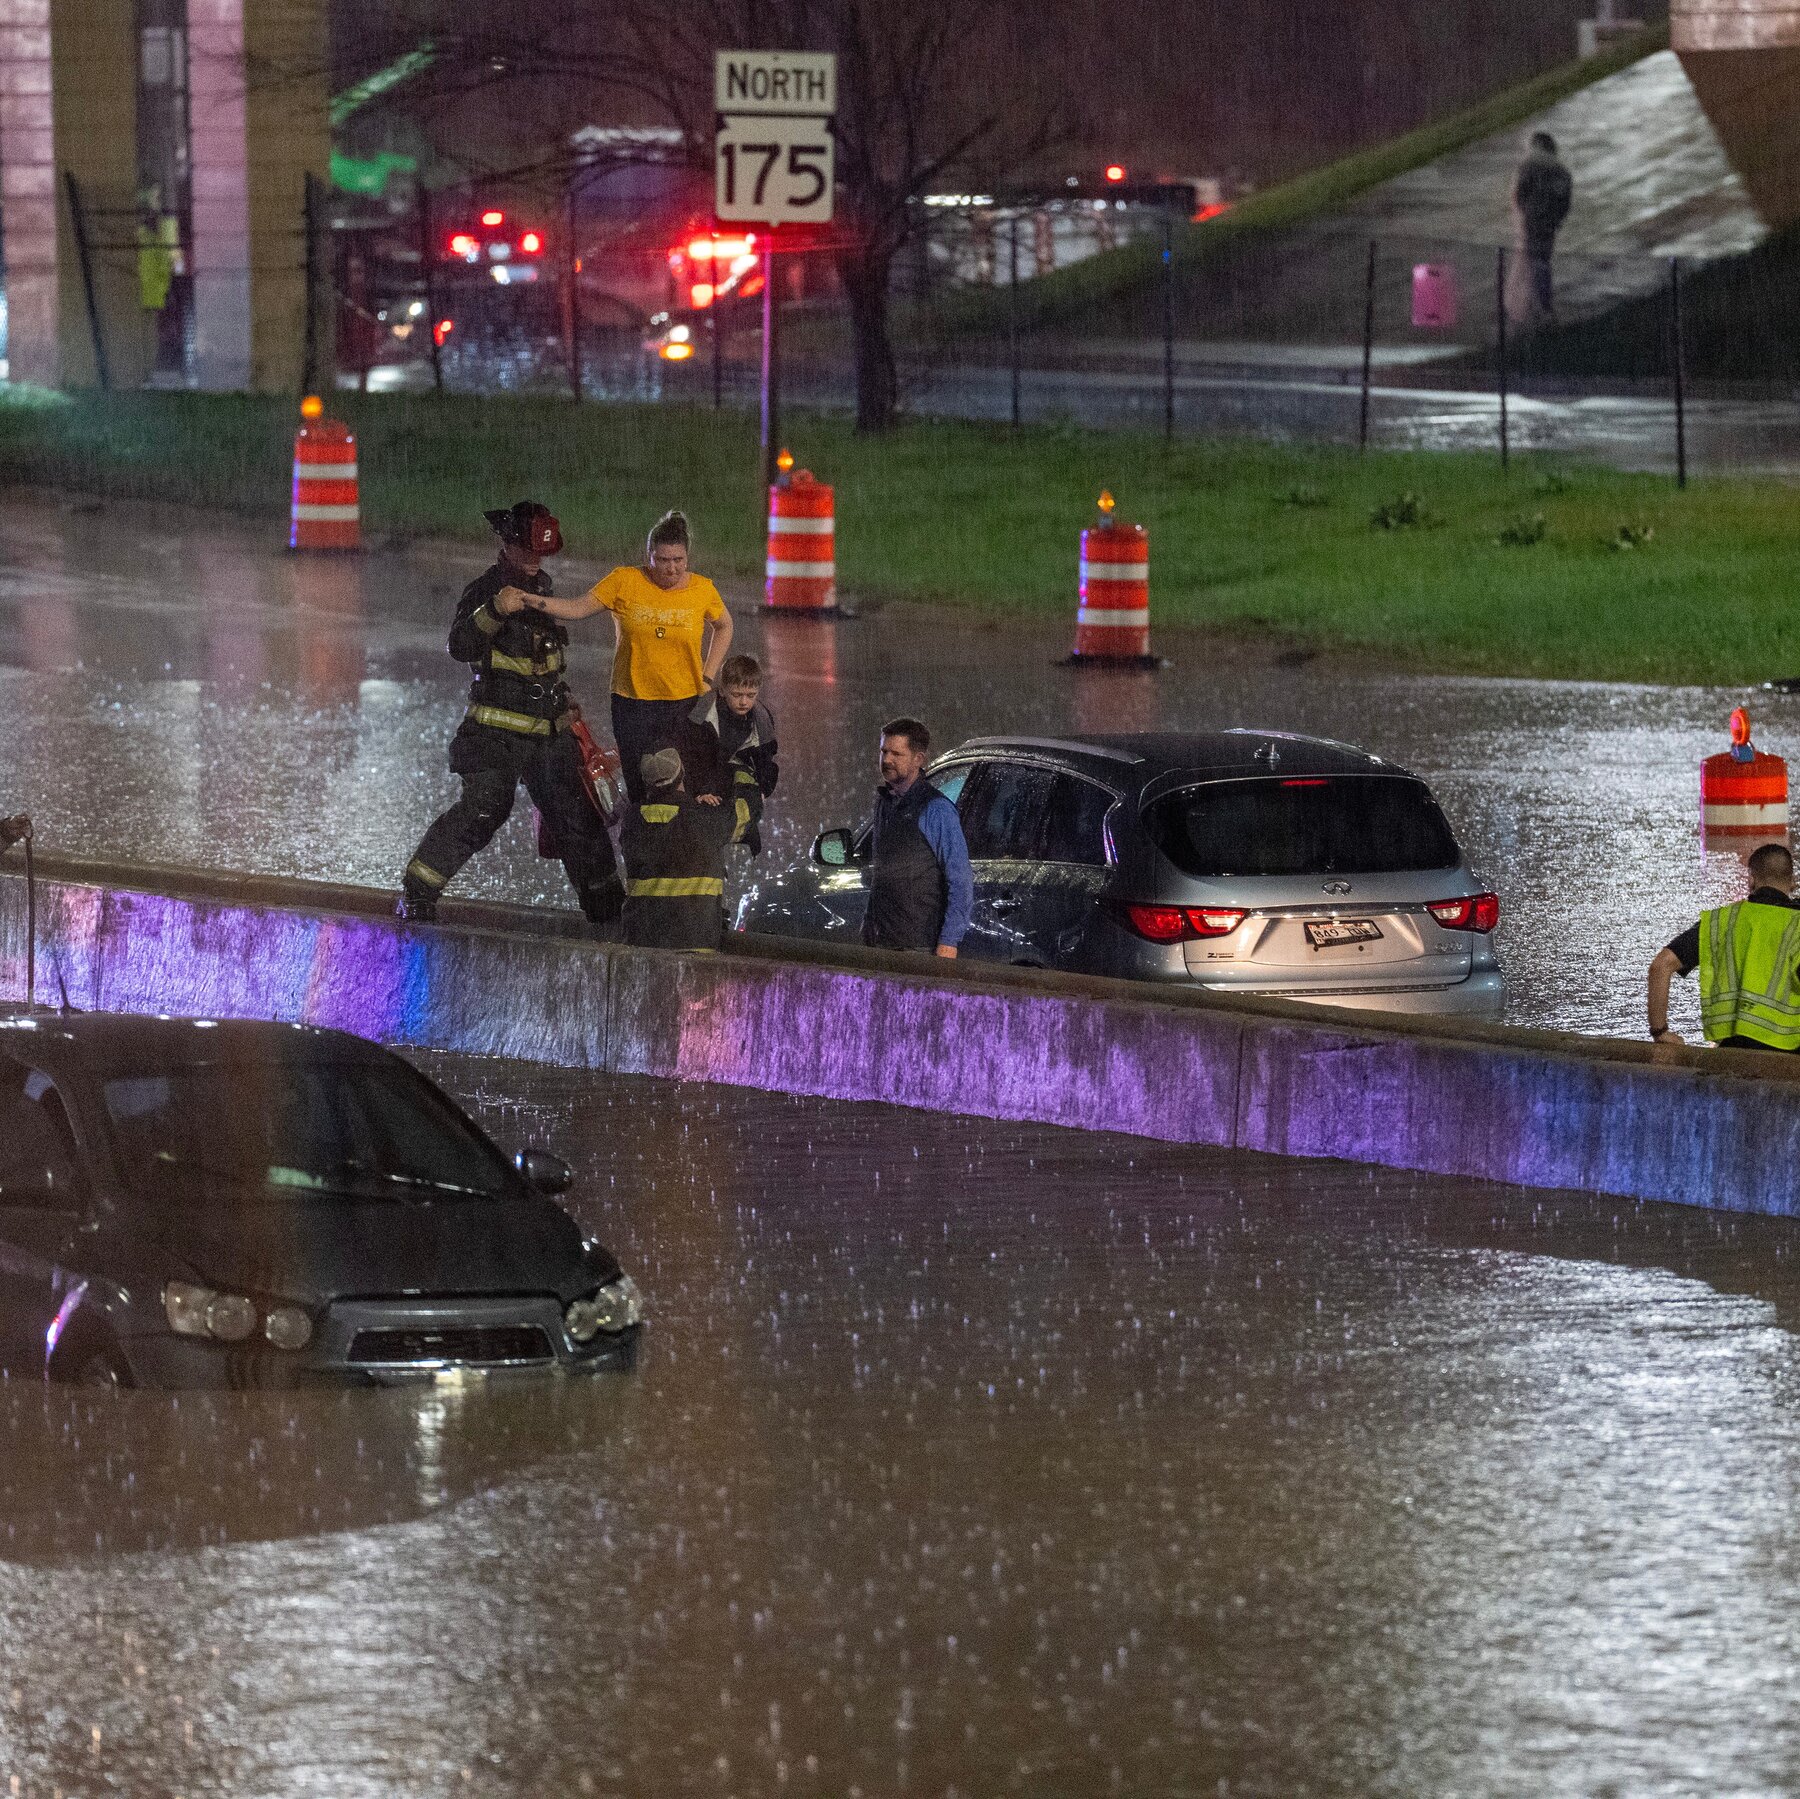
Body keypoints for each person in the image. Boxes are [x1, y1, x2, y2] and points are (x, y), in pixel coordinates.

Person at [397, 500, 623, 925]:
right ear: (506, 545)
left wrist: (568, 709)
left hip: (548, 736)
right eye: (526, 551)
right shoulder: (485, 591)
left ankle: (609, 913)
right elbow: (460, 646)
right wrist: (496, 610)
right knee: (485, 808)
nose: (533, 561)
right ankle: (418, 890)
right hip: (494, 733)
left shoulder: (544, 591)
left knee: (578, 820)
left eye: (540, 554)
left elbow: (544, 663)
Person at [514, 510, 733, 808]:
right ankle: (640, 846)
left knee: (678, 783)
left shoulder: (702, 589)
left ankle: (679, 846)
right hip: (631, 702)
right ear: (649, 555)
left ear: (687, 557)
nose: (671, 569)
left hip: (682, 701)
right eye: (663, 560)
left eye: (678, 560)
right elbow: (577, 608)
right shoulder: (624, 581)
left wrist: (708, 676)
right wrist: (530, 600)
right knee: (639, 784)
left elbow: (724, 626)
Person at [1647, 841, 1800, 1050]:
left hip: (1733, 1051)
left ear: (1751, 880)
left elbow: (1660, 966)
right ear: (1792, 882)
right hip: (1790, 1051)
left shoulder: (1720, 921)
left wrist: (1660, 1032)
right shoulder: (1796, 923)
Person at [862, 717, 972, 959]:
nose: (886, 760)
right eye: (883, 751)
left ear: (918, 759)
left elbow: (960, 880)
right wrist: (869, 925)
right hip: (881, 941)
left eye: (896, 754)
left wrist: (949, 941)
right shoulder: (885, 803)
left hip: (918, 946)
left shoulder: (937, 810)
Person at [618, 747, 737, 951]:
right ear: (682, 773)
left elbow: (665, 832)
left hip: (642, 942)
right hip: (696, 943)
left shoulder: (632, 821)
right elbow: (742, 815)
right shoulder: (703, 819)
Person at [686, 653, 779, 856]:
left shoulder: (761, 719)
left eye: (751, 695)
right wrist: (699, 792)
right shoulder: (703, 714)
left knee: (747, 795)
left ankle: (743, 828)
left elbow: (766, 758)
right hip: (707, 772)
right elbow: (692, 759)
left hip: (736, 773)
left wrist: (763, 790)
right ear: (723, 691)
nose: (744, 702)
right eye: (737, 695)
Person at [1511, 131, 1573, 322]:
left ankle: (1538, 307)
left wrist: (1526, 213)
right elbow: (1565, 201)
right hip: (1550, 223)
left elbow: (1519, 193)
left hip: (1533, 221)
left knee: (1534, 260)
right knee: (1543, 260)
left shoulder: (1528, 165)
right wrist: (1557, 219)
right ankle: (1540, 304)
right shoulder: (1562, 171)